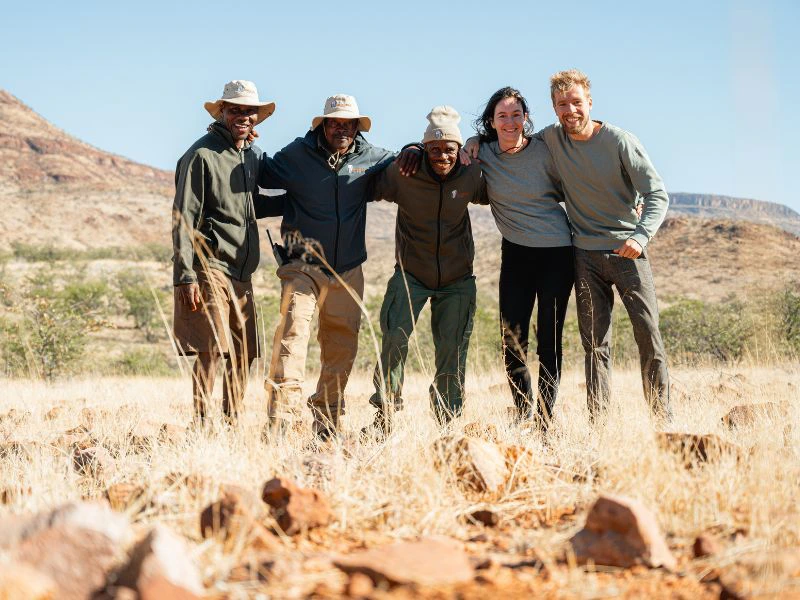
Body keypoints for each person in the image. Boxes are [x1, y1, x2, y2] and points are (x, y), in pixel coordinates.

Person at [258, 94, 395, 440]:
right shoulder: (295, 155)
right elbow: (260, 173)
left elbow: (398, 162)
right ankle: (281, 423)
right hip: (301, 265)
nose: (342, 129)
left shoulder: (370, 157)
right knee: (292, 335)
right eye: (335, 123)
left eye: (349, 124)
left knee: (341, 346)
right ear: (322, 125)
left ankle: (328, 422)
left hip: (347, 269)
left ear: (357, 127)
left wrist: (414, 150)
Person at [539, 69, 671, 422]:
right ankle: (600, 425)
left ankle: (662, 419)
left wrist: (640, 236)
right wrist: (474, 143)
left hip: (628, 254)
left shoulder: (619, 141)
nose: (570, 110)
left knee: (648, 335)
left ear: (590, 103)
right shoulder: (551, 138)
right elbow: (513, 143)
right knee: (595, 345)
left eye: (576, 102)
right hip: (585, 257)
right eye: (562, 104)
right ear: (554, 108)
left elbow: (657, 194)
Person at [366, 106, 488, 436]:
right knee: (394, 340)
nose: (442, 155)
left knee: (453, 350)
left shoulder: (471, 172)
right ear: (425, 148)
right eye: (433, 148)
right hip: (411, 275)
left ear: (459, 149)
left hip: (458, 279)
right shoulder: (403, 172)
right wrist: (410, 148)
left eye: (449, 148)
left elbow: (499, 190)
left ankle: (448, 422)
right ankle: (384, 415)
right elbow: (367, 183)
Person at [172, 80, 281, 426]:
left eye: (249, 112)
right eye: (236, 110)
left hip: (242, 271)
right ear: (222, 112)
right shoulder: (201, 155)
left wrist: (299, 204)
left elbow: (249, 205)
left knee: (243, 351)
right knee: (211, 349)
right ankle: (202, 424)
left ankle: (232, 421)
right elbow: (183, 217)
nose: (244, 117)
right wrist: (186, 275)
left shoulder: (250, 155)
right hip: (210, 266)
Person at [470, 87, 573, 429]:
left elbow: (578, 182)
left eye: (516, 115)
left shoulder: (545, 150)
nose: (510, 122)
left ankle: (545, 418)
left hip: (557, 253)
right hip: (515, 253)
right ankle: (522, 411)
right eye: (503, 115)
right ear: (491, 121)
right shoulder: (484, 153)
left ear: (526, 118)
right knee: (512, 338)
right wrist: (471, 140)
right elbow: (459, 149)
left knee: (549, 339)